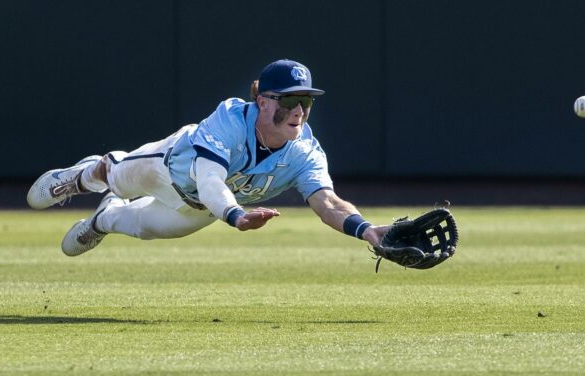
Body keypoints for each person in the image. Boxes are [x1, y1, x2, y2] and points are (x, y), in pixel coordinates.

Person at [27, 59, 390, 256]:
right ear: (262, 100)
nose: (299, 110)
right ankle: (79, 178)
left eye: (306, 102)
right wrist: (235, 216)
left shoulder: (305, 152)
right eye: (290, 100)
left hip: (201, 208)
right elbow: (210, 180)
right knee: (116, 174)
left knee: (139, 228)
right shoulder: (231, 119)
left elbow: (327, 202)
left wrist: (366, 229)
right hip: (168, 169)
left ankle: (101, 219)